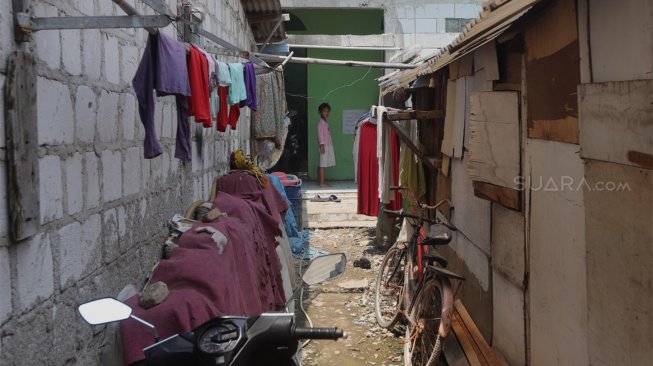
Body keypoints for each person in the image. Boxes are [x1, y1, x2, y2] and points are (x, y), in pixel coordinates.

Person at [316, 103, 335, 187]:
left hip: (328, 145)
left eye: (328, 111)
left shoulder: (325, 121)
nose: (326, 113)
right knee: (322, 164)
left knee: (324, 163)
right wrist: (322, 145)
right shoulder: (321, 123)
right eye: (324, 111)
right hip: (324, 146)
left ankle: (322, 181)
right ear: (320, 112)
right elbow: (320, 135)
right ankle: (321, 183)